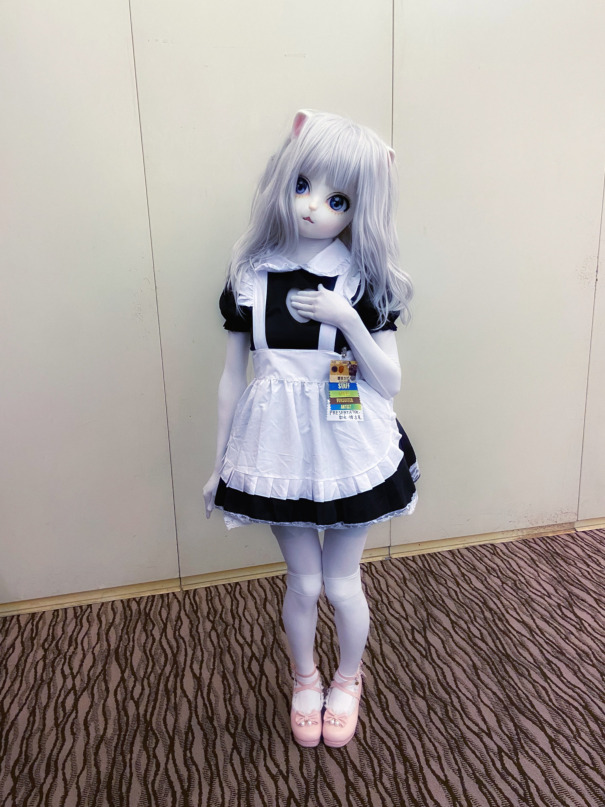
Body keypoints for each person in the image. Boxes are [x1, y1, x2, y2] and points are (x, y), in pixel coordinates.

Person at [203, 110, 419, 748]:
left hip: (346, 439)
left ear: (359, 209)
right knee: (302, 583)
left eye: (337, 199)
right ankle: (306, 677)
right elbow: (231, 378)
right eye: (302, 184)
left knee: (342, 583)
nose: (313, 206)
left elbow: (389, 381)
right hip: (275, 444)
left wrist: (346, 318)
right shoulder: (250, 274)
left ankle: (348, 678)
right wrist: (218, 465)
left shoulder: (362, 279)